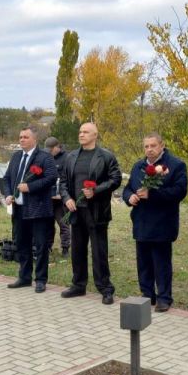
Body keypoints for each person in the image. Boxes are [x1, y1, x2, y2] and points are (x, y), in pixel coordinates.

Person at [122, 132, 188, 312]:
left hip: (162, 223)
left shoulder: (175, 165)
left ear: (162, 146)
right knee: (143, 262)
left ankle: (164, 298)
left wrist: (153, 195)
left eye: (153, 146)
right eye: (146, 146)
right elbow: (127, 189)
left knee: (161, 263)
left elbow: (179, 192)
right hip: (141, 221)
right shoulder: (138, 166)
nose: (149, 150)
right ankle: (147, 295)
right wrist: (130, 197)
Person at [58, 122, 121, 304]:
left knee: (99, 251)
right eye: (80, 132)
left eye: (85, 132)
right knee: (77, 249)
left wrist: (97, 190)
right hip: (75, 210)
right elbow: (62, 181)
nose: (81, 134)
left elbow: (115, 180)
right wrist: (66, 198)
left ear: (95, 135)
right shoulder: (71, 157)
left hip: (97, 211)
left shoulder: (106, 156)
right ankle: (78, 285)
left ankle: (105, 288)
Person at [3, 126, 58, 293]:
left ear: (34, 139)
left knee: (40, 245)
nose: (21, 140)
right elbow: (7, 179)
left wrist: (30, 187)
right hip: (18, 208)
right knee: (21, 243)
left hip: (38, 209)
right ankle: (24, 277)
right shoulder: (16, 156)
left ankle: (41, 279)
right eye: (20, 137)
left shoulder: (44, 157)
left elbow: (51, 178)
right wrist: (7, 194)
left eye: (25, 137)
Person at [44, 136, 71, 257]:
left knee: (63, 223)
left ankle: (65, 248)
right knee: (48, 224)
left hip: (61, 198)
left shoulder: (67, 158)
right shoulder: (47, 157)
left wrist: (64, 195)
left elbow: (69, 179)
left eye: (51, 150)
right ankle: (48, 246)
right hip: (49, 198)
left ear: (57, 147)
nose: (50, 152)